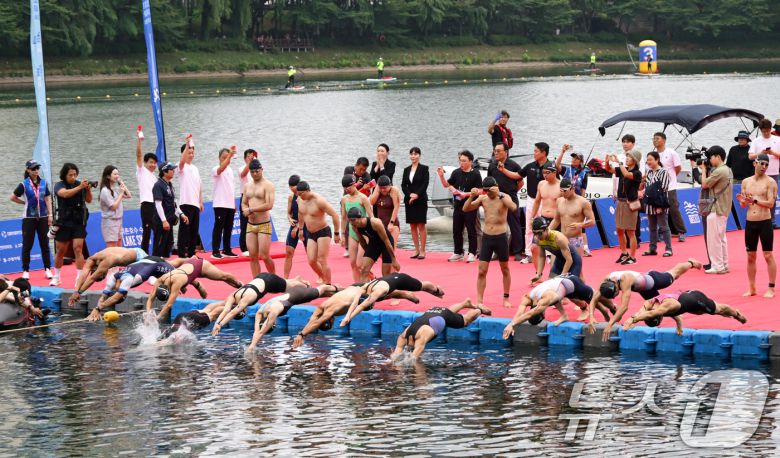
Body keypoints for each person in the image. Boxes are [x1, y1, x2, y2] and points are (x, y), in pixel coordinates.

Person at [587, 258, 703, 341]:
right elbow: (594, 299)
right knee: (659, 308)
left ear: (616, 286)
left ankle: (690, 262)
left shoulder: (625, 280)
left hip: (653, 280)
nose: (617, 295)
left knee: (674, 274)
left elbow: (624, 307)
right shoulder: (605, 281)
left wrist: (610, 324)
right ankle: (678, 320)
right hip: (644, 290)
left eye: (616, 293)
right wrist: (591, 316)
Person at [291, 283, 418, 349]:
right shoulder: (321, 307)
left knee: (384, 295)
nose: (334, 321)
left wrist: (302, 335)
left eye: (331, 323)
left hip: (360, 291)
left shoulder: (332, 311)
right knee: (381, 295)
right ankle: (402, 292)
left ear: (329, 319)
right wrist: (302, 334)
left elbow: (317, 322)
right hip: (353, 288)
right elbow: (313, 321)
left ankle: (406, 294)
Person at [463, 176, 517, 308]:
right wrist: (471, 195)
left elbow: (514, 207)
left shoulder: (504, 197)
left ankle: (506, 298)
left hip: (501, 236)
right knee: (482, 271)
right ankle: (480, 301)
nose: (487, 193)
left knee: (504, 269)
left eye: (489, 190)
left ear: (496, 186)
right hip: (487, 237)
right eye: (485, 191)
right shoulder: (483, 198)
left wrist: (498, 193)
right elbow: (466, 208)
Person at [210, 273, 309, 335]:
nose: (246, 310)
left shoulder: (245, 300)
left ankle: (302, 283)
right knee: (282, 285)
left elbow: (232, 313)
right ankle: (296, 279)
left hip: (269, 281)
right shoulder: (232, 296)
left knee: (289, 287)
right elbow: (226, 310)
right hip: (261, 278)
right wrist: (217, 324)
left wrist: (221, 324)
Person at [391, 299, 491, 360]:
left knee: (465, 322)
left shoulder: (421, 337)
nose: (408, 349)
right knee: (446, 312)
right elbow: (395, 354)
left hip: (440, 317)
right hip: (435, 312)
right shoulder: (402, 337)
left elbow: (413, 359)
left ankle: (479, 309)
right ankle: (464, 303)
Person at [502, 275, 601, 337]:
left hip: (572, 283)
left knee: (599, 301)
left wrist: (512, 324)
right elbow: (520, 313)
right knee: (554, 298)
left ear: (541, 312)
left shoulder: (543, 301)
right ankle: (564, 316)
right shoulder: (528, 298)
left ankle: (610, 307)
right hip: (560, 288)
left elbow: (528, 314)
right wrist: (511, 324)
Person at [148, 256, 243, 321]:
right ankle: (196, 284)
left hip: (200, 266)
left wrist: (158, 317)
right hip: (187, 269)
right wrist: (148, 313)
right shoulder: (159, 280)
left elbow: (168, 305)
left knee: (223, 276)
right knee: (186, 287)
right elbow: (150, 298)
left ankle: (240, 284)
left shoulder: (176, 283)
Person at [246, 284, 338, 350]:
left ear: (272, 323)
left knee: (321, 289)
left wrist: (252, 346)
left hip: (298, 294)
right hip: (294, 295)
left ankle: (338, 288)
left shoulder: (274, 312)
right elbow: (257, 331)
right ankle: (336, 292)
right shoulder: (260, 312)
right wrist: (252, 346)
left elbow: (261, 332)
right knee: (321, 294)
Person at [736, 153, 777, 298]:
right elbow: (744, 205)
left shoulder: (771, 182)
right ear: (755, 163)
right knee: (750, 256)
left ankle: (771, 288)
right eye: (762, 163)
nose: (764, 167)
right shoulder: (746, 182)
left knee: (768, 255)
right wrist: (742, 201)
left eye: (767, 164)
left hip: (765, 221)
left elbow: (771, 204)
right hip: (750, 222)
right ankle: (752, 288)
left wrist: (755, 200)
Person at [86, 256, 179, 320]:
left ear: (124, 295)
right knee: (174, 265)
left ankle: (191, 261)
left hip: (158, 264)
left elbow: (116, 297)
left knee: (182, 279)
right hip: (147, 262)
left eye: (124, 296)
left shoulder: (129, 279)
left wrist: (98, 308)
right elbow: (102, 298)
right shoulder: (113, 277)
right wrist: (96, 310)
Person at [623, 290, 746, 335]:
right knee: (701, 313)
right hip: (688, 303)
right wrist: (679, 328)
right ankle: (731, 314)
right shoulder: (649, 304)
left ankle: (736, 314)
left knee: (718, 310)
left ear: (659, 317)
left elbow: (650, 314)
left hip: (697, 300)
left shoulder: (665, 307)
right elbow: (642, 312)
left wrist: (632, 320)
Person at [342, 272, 445, 326]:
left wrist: (349, 318)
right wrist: (347, 317)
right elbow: (356, 302)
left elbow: (362, 305)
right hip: (390, 279)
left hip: (401, 279)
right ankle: (408, 294)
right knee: (388, 295)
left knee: (422, 286)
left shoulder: (377, 292)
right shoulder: (363, 288)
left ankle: (437, 289)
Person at [51, 163, 93, 287]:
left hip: (79, 221)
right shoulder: (59, 185)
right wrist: (80, 187)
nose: (73, 177)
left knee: (78, 249)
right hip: (64, 221)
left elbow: (89, 200)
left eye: (75, 174)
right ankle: (57, 276)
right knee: (60, 251)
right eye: (70, 175)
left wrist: (88, 190)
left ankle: (79, 278)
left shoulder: (80, 184)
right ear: (65, 175)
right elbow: (64, 194)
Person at [10, 160, 53, 280]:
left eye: (37, 168)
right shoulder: (23, 184)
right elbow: (13, 197)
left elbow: (48, 198)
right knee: (27, 245)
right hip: (29, 218)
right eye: (33, 169)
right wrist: (24, 203)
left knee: (45, 244)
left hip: (43, 217)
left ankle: (48, 269)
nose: (36, 170)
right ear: (28, 170)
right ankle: (25, 270)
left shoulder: (44, 183)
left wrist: (50, 215)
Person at [437, 150, 482, 262]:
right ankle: (458, 252)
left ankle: (472, 252)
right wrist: (441, 176)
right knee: (456, 230)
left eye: (464, 161)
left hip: (470, 206)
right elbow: (447, 185)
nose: (461, 163)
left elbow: (481, 190)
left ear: (470, 162)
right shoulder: (456, 172)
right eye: (460, 160)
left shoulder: (476, 173)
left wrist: (465, 194)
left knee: (471, 230)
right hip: (457, 205)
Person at [69, 246, 148, 305]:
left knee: (124, 285)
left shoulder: (106, 262)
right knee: (121, 282)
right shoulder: (92, 258)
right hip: (134, 253)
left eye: (104, 275)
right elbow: (83, 275)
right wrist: (76, 291)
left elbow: (92, 278)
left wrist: (79, 293)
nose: (106, 273)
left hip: (140, 258)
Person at [296, 181, 341, 284]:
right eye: (298, 194)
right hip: (311, 233)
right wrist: (301, 229)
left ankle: (328, 284)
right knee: (311, 260)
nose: (299, 196)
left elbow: (335, 215)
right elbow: (301, 213)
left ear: (307, 190)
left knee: (322, 259)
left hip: (323, 232)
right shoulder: (299, 199)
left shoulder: (319, 201)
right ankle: (322, 276)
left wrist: (337, 233)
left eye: (301, 193)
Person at [699, 146, 733, 275]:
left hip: (716, 208)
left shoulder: (719, 171)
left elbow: (705, 184)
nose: (709, 160)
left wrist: (703, 170)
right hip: (724, 208)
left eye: (711, 157)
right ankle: (724, 264)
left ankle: (717, 266)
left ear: (718, 157)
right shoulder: (728, 170)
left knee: (713, 239)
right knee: (721, 238)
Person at [604, 149, 642, 265]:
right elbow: (608, 170)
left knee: (631, 232)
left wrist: (619, 162)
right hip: (620, 202)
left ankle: (633, 256)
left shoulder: (637, 173)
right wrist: (607, 161)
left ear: (635, 160)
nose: (627, 158)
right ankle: (624, 253)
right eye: (626, 157)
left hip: (630, 204)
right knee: (619, 229)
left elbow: (626, 174)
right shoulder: (622, 169)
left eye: (629, 157)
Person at [554, 145, 593, 256]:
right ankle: (563, 244)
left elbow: (584, 188)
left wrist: (583, 201)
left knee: (581, 226)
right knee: (566, 223)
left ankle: (585, 248)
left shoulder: (584, 173)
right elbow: (557, 166)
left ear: (581, 161)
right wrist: (562, 152)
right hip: (566, 200)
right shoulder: (567, 170)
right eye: (573, 158)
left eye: (576, 158)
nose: (573, 160)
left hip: (578, 201)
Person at [241, 159, 276, 276]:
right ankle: (256, 281)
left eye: (257, 171)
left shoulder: (268, 185)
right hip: (251, 225)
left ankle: (274, 279)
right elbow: (244, 202)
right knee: (253, 256)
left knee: (264, 256)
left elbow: (269, 205)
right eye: (252, 172)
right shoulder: (247, 186)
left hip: (264, 224)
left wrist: (251, 209)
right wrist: (245, 210)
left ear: (262, 170)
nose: (255, 174)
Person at [518, 143, 551, 262]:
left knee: (546, 228)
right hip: (531, 200)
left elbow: (557, 182)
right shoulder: (530, 166)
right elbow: (517, 175)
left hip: (546, 201)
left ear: (543, 153)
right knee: (529, 227)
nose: (534, 153)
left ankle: (548, 254)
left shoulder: (551, 166)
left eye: (536, 151)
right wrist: (503, 170)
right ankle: (528, 254)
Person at [347, 207, 399, 281]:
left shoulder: (375, 223)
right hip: (374, 244)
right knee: (364, 270)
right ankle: (365, 290)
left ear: (360, 217)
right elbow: (362, 241)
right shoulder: (354, 226)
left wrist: (394, 260)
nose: (352, 222)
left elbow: (386, 240)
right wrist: (369, 255)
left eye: (353, 220)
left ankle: (389, 290)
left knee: (385, 274)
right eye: (349, 220)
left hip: (385, 243)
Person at [549, 178, 595, 260]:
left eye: (565, 191)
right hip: (561, 238)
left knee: (576, 269)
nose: (562, 193)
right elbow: (556, 220)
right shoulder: (559, 201)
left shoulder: (583, 202)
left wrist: (580, 225)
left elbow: (592, 221)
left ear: (572, 189)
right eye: (561, 190)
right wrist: (547, 231)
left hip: (576, 239)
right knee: (555, 267)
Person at [652, 132, 686, 242]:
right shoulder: (653, 154)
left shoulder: (671, 153)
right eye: (653, 139)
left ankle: (681, 232)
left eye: (657, 138)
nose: (655, 140)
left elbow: (678, 168)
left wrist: (671, 178)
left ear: (664, 140)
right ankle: (662, 233)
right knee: (659, 210)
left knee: (673, 209)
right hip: (657, 187)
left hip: (670, 186)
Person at [152, 162, 188, 258]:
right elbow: (158, 204)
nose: (173, 171)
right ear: (164, 172)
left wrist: (181, 214)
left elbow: (174, 203)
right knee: (158, 248)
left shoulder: (170, 185)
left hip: (170, 221)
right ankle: (154, 268)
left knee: (167, 248)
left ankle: (165, 268)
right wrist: (164, 221)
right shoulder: (158, 185)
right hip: (161, 222)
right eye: (171, 169)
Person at [529, 217, 582, 282]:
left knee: (572, 284)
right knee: (550, 284)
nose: (537, 236)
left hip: (573, 260)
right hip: (559, 261)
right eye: (535, 233)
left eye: (539, 233)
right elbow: (541, 256)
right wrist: (538, 274)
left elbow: (569, 260)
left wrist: (562, 276)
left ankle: (590, 291)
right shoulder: (537, 239)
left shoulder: (558, 238)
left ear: (546, 229)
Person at [748, 119, 780, 228]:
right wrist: (761, 153)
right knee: (758, 196)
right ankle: (758, 219)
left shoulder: (777, 139)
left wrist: (772, 153)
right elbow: (750, 156)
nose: (766, 133)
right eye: (764, 131)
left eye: (768, 131)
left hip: (774, 172)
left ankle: (772, 221)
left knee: (772, 197)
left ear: (771, 129)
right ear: (761, 130)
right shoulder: (756, 141)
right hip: (759, 173)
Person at [341, 175, 374, 281]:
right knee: (352, 263)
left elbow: (371, 217)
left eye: (348, 187)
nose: (347, 190)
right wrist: (341, 234)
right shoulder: (344, 199)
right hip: (352, 233)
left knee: (360, 264)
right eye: (344, 188)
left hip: (364, 233)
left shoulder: (363, 198)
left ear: (354, 184)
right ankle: (357, 287)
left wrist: (374, 234)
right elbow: (343, 218)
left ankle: (372, 279)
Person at [641, 151, 672, 257]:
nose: (648, 162)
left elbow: (663, 188)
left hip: (660, 202)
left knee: (664, 226)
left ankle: (668, 249)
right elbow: (647, 187)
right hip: (649, 203)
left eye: (650, 159)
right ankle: (652, 248)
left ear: (657, 160)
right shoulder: (648, 172)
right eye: (647, 160)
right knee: (652, 227)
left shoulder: (663, 172)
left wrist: (659, 205)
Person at [176, 139, 203, 259]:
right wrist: (187, 145)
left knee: (194, 231)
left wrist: (200, 201)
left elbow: (199, 186)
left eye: (192, 153)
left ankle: (192, 254)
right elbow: (182, 162)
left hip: (195, 204)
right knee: (184, 231)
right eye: (188, 152)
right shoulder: (180, 166)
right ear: (183, 153)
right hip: (185, 203)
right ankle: (182, 254)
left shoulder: (195, 168)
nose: (191, 155)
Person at [402, 146, 429, 259]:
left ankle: (423, 250)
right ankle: (416, 250)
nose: (413, 156)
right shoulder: (406, 169)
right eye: (411, 154)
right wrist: (409, 195)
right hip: (410, 200)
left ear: (419, 156)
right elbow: (403, 185)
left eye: (416, 154)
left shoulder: (424, 168)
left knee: (421, 225)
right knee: (412, 225)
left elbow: (425, 183)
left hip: (421, 199)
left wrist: (417, 194)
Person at [212, 147, 239, 259]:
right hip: (220, 203)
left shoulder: (230, 170)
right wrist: (229, 156)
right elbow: (221, 169)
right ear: (219, 158)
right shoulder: (216, 169)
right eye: (223, 157)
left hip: (229, 204)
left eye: (227, 157)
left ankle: (227, 250)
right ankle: (215, 251)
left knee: (228, 228)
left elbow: (231, 188)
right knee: (219, 227)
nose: (226, 159)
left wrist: (233, 204)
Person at [158, 300, 228, 341]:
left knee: (210, 313)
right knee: (209, 312)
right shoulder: (173, 332)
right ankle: (228, 304)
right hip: (184, 317)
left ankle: (228, 305)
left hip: (186, 316)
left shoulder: (172, 333)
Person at [98, 165, 132, 248]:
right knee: (112, 246)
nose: (117, 176)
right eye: (115, 174)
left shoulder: (115, 188)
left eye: (118, 174)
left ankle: (119, 261)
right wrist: (120, 194)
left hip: (119, 220)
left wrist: (123, 185)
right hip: (110, 221)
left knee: (119, 244)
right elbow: (113, 207)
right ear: (108, 176)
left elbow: (129, 195)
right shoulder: (105, 191)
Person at [135, 135, 158, 255]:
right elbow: (138, 155)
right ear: (145, 163)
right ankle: (143, 255)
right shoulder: (141, 171)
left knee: (157, 230)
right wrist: (139, 141)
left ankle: (156, 254)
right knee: (147, 230)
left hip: (155, 205)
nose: (153, 165)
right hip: (146, 205)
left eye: (155, 163)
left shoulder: (154, 177)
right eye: (150, 162)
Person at [283, 175, 308, 279]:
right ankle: (285, 278)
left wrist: (298, 227)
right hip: (294, 226)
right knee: (288, 252)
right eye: (290, 186)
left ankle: (322, 276)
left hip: (305, 226)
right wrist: (289, 218)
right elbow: (289, 213)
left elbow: (306, 214)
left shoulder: (304, 197)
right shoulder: (290, 197)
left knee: (311, 255)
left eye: (294, 186)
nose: (292, 188)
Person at [370, 175, 401, 244]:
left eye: (385, 188)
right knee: (380, 249)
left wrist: (391, 223)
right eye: (381, 188)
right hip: (381, 224)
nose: (383, 190)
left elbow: (396, 207)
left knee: (391, 249)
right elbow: (371, 202)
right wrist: (377, 190)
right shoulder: (378, 191)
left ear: (389, 185)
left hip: (392, 224)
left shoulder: (393, 190)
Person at [239, 149, 259, 256]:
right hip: (245, 198)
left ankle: (255, 247)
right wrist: (250, 164)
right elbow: (243, 174)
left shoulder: (257, 170)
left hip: (256, 198)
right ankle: (244, 248)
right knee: (245, 224)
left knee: (256, 223)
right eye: (248, 157)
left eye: (252, 156)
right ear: (245, 158)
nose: (251, 158)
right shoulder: (242, 168)